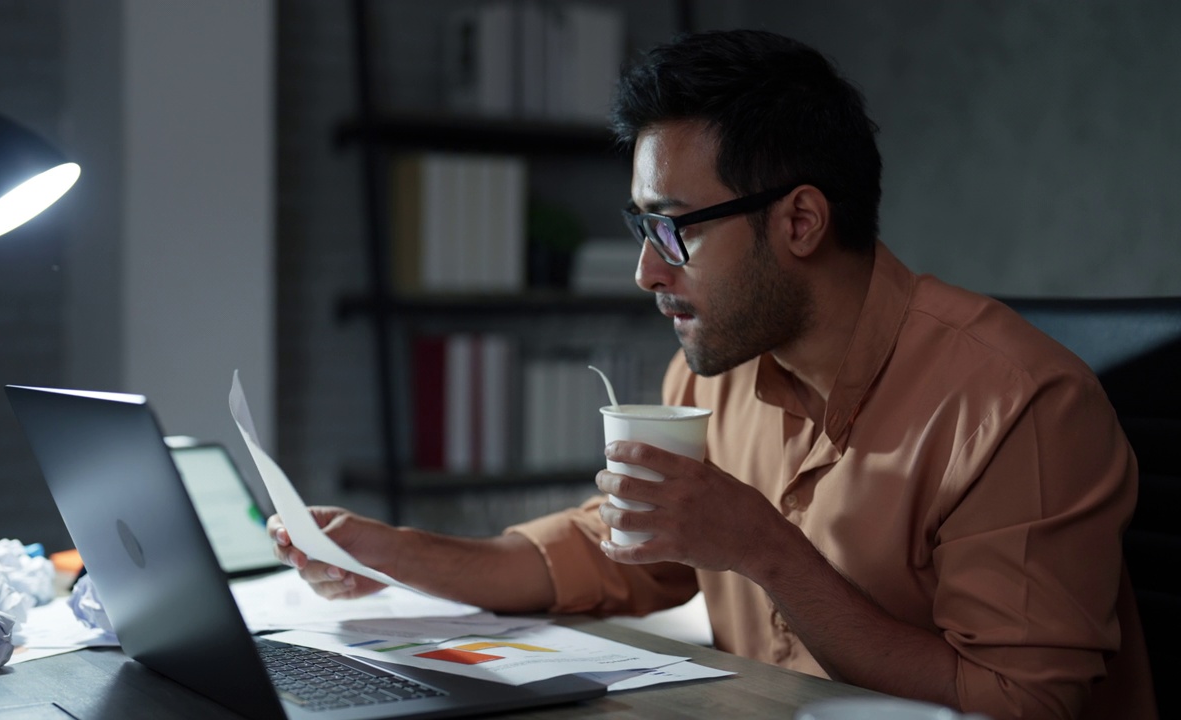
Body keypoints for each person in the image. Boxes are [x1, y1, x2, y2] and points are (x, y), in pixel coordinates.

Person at [269, 29, 1155, 719]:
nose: (648, 274)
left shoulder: (1019, 406)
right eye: (641, 230)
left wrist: (763, 548)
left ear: (801, 220)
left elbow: (1023, 706)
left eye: (674, 230)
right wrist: (401, 556)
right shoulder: (719, 371)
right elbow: (619, 553)